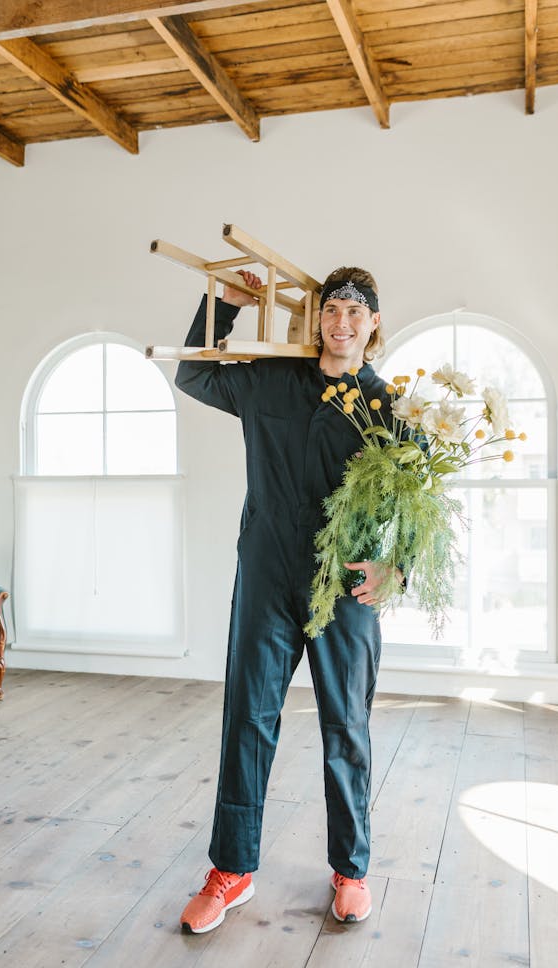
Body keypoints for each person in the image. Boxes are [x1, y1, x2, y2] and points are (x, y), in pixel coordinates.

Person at [176, 265, 401, 934]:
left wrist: (396, 563)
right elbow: (192, 375)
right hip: (268, 576)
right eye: (334, 308)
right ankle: (232, 871)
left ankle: (351, 872)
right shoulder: (270, 379)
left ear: (373, 325)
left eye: (357, 312)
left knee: (346, 731)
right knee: (247, 718)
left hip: (345, 588)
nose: (342, 321)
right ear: (318, 318)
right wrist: (227, 306)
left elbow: (416, 506)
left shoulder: (389, 406)